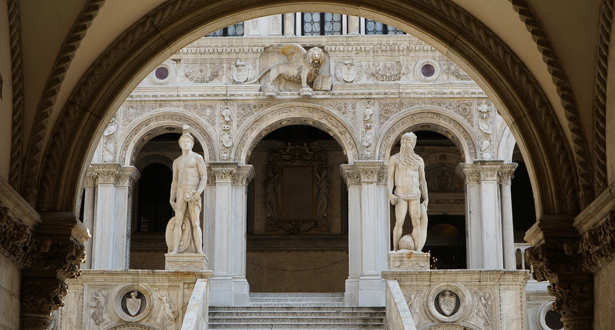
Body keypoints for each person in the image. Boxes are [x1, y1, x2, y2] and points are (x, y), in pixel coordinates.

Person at [387, 132, 429, 251]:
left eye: (410, 142)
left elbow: (422, 180)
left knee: (416, 223)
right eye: (405, 142)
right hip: (400, 195)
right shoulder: (395, 159)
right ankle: (395, 250)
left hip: (415, 194)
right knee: (399, 222)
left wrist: (426, 198)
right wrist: (389, 193)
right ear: (402, 143)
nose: (407, 144)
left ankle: (418, 250)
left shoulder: (418, 160)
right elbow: (390, 177)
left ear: (414, 144)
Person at [168, 125, 206, 254]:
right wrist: (171, 198)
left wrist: (198, 192)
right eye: (183, 142)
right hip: (180, 191)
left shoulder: (197, 158)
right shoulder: (177, 161)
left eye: (188, 141)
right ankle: (176, 249)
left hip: (193, 191)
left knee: (195, 222)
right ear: (180, 144)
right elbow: (174, 181)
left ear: (192, 143)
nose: (186, 143)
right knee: (178, 221)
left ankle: (199, 250)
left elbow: (204, 177)